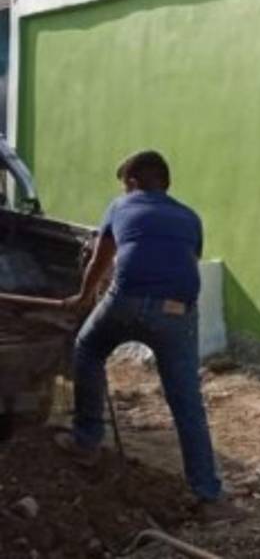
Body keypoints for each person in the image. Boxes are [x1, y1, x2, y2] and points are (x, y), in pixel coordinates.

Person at [56, 150, 226, 514]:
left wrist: (84, 298)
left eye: (125, 185)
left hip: (127, 300)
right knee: (186, 401)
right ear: (165, 183)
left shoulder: (120, 206)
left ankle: (86, 442)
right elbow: (185, 262)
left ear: (132, 183)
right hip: (177, 310)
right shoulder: (189, 217)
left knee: (87, 348)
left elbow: (101, 262)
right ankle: (206, 490)